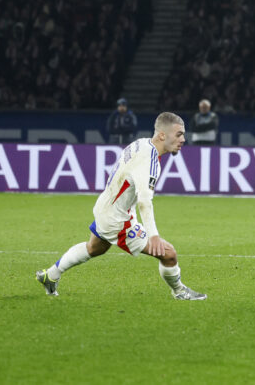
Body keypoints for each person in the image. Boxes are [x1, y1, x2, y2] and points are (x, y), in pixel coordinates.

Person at [35, 112, 206, 300]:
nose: (183, 139)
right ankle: (180, 292)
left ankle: (50, 275)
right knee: (169, 254)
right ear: (162, 135)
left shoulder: (141, 143)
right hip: (117, 218)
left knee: (95, 248)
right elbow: (144, 202)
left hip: (107, 206)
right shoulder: (149, 161)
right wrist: (154, 236)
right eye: (179, 134)